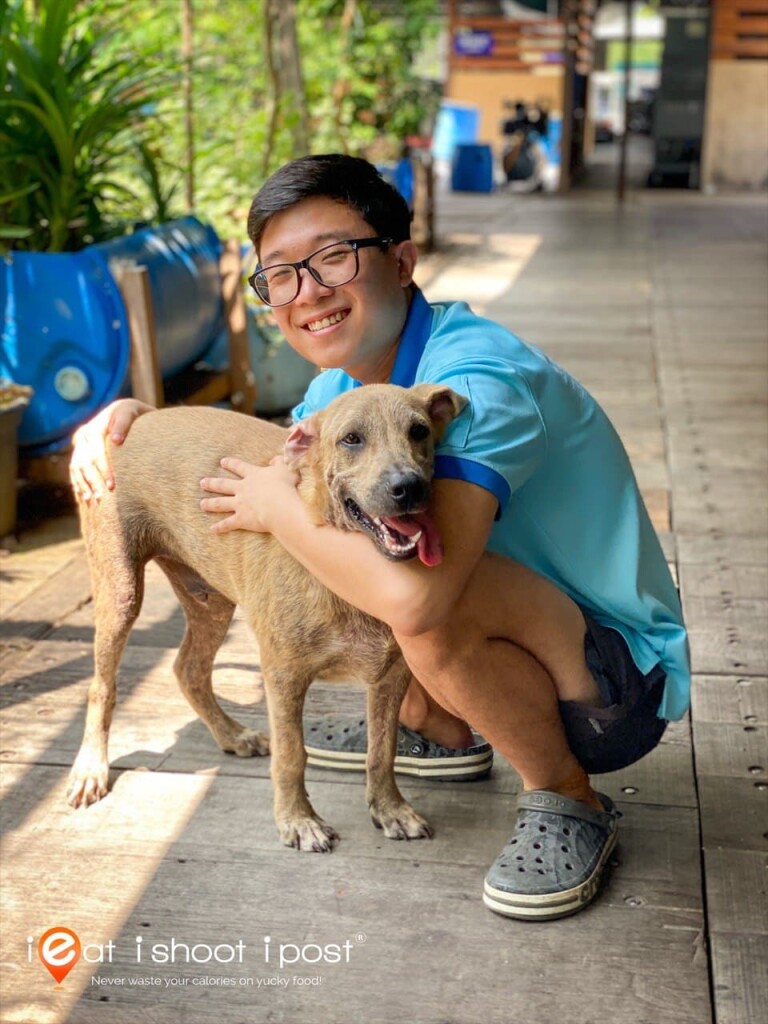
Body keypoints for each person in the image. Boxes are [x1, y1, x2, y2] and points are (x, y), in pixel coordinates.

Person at [70, 154, 690, 921]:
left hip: (614, 686)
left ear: (401, 260)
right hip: (538, 640)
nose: (310, 291)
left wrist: (282, 512)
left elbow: (409, 594)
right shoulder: (342, 385)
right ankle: (454, 728)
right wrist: (129, 412)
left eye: (333, 256)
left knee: (415, 594)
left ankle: (568, 798)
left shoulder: (477, 385)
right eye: (282, 274)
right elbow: (290, 464)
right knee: (371, 568)